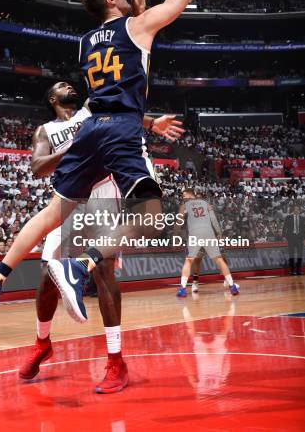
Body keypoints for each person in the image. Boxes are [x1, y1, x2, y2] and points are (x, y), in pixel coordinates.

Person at [0, 0, 235, 332]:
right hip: (120, 129)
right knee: (149, 214)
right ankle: (81, 267)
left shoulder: (87, 41)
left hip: (91, 129)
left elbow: (126, 39)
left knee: (54, 211)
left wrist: (139, 8)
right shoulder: (138, 26)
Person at [17, 79, 183, 393]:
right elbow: (37, 167)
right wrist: (74, 147)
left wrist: (153, 123)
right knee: (46, 275)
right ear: (52, 98)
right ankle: (42, 342)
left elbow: (125, 114)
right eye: (61, 85)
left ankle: (116, 360)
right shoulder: (45, 131)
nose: (68, 85)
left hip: (104, 190)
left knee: (103, 269)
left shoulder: (90, 110)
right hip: (69, 197)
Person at [176, 189, 239, 297]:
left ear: (189, 195)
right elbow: (213, 219)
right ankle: (232, 286)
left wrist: (176, 234)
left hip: (195, 233)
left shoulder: (185, 205)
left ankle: (182, 289)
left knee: (189, 261)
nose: (183, 197)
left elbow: (179, 220)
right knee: (219, 260)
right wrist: (219, 234)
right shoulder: (206, 203)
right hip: (208, 232)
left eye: (184, 195)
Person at [282, 205, 305, 275]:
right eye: (295, 209)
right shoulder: (288, 217)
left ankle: (298, 270)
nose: (297, 210)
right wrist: (284, 236)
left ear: (299, 210)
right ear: (293, 210)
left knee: (300, 254)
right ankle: (292, 271)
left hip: (300, 238)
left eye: (298, 209)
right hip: (291, 238)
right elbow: (284, 227)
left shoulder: (302, 218)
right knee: (291, 254)